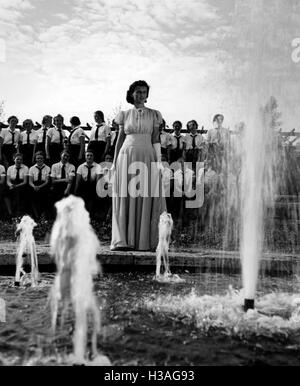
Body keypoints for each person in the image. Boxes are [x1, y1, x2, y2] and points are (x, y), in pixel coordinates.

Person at [111, 80, 166, 251]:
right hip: (126, 155)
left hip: (148, 155)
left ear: (147, 95)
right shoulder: (124, 115)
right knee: (126, 194)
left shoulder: (154, 115)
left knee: (146, 194)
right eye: (137, 92)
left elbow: (156, 138)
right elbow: (120, 139)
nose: (141, 95)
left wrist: (159, 161)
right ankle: (123, 240)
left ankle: (145, 241)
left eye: (144, 92)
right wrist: (114, 164)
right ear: (131, 94)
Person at [74, 149, 101, 216]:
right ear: (85, 157)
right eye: (87, 155)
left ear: (93, 157)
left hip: (93, 187)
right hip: (83, 187)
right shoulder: (81, 167)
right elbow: (78, 181)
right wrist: (76, 191)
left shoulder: (98, 166)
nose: (89, 157)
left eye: (91, 155)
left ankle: (92, 213)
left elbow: (98, 181)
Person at [28, 151, 51, 219]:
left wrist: (40, 187)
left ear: (43, 159)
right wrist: (34, 186)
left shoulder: (48, 168)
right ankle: (36, 215)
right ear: (35, 159)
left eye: (41, 158)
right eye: (38, 158)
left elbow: (47, 181)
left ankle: (43, 215)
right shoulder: (32, 168)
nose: (39, 160)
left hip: (43, 185)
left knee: (44, 197)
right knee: (32, 197)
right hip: (34, 185)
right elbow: (30, 181)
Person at [6, 153, 29, 217]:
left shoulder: (25, 168)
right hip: (12, 184)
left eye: (21, 159)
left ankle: (19, 213)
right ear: (14, 159)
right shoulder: (10, 168)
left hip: (21, 184)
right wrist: (11, 185)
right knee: (6, 193)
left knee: (19, 192)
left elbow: (25, 181)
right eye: (17, 159)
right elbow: (8, 181)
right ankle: (10, 212)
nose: (19, 161)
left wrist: (16, 186)